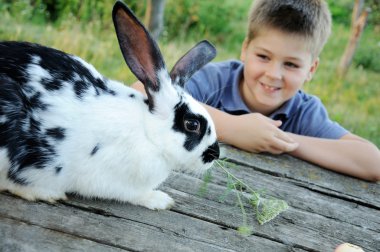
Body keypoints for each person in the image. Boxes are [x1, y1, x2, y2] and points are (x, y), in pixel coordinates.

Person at [133, 0, 380, 181]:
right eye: (263, 56)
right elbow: (140, 91)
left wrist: (281, 141)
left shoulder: (304, 111)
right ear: (245, 49)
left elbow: (372, 161)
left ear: (311, 69)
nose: (273, 73)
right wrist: (234, 128)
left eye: (291, 64)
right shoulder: (217, 81)